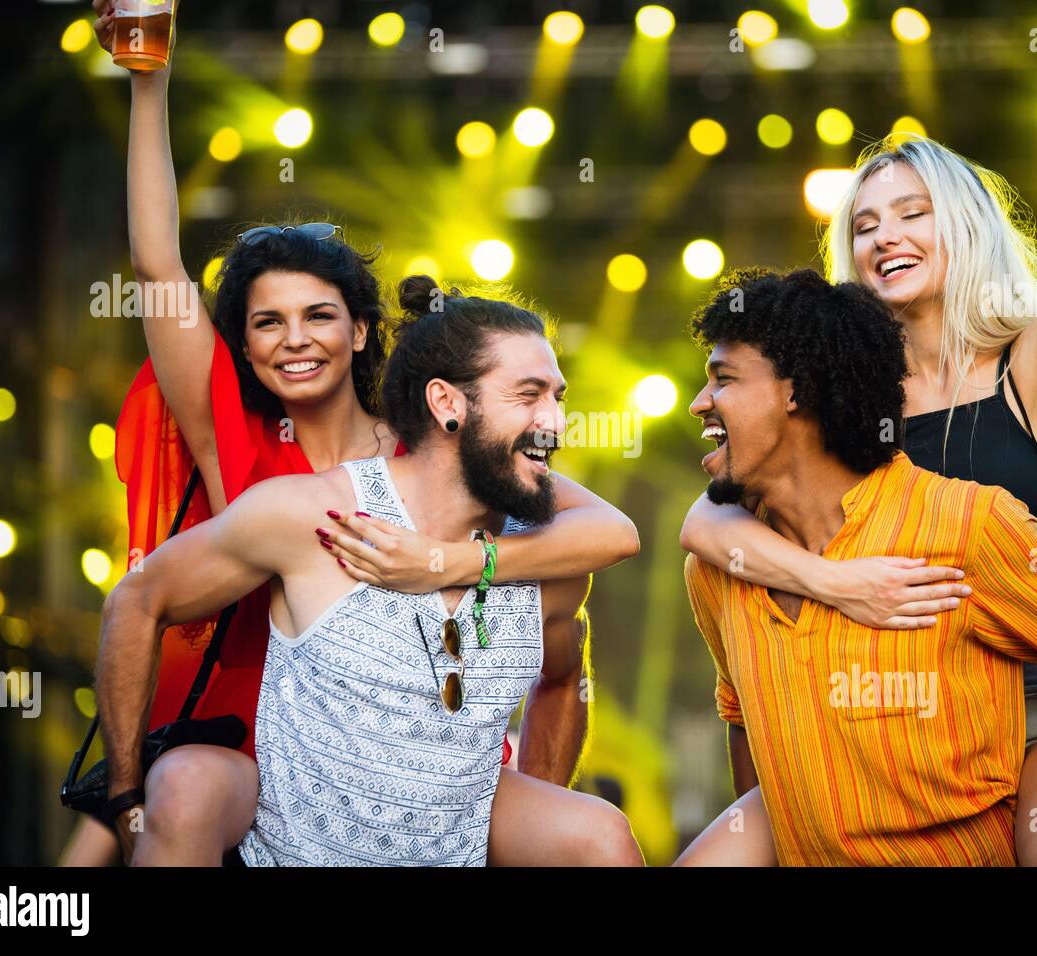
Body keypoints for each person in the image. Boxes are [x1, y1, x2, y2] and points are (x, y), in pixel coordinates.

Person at [73, 1, 639, 866]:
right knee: (164, 804)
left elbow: (603, 534)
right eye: (266, 323)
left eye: (319, 316)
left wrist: (451, 564)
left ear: (363, 331)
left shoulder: (429, 457)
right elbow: (158, 265)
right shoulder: (237, 444)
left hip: (419, 752)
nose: (294, 338)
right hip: (252, 743)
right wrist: (149, 85)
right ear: (244, 344)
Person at [679, 0, 1037, 866]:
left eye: (912, 213)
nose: (886, 235)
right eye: (865, 224)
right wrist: (826, 584)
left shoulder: (1033, 363)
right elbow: (707, 525)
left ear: (960, 223)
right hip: (895, 716)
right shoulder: (839, 398)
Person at [96, 277, 645, 866]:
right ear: (447, 404)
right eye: (530, 395)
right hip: (295, 845)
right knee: (182, 781)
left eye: (558, 397)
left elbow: (565, 675)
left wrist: (461, 564)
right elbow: (137, 600)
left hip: (456, 843)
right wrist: (125, 795)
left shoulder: (551, 558)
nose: (556, 422)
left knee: (601, 836)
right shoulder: (317, 515)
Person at [675, 268, 1037, 866]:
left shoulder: (964, 526)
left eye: (724, 379)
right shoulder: (716, 569)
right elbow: (745, 719)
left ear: (799, 390)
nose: (699, 402)